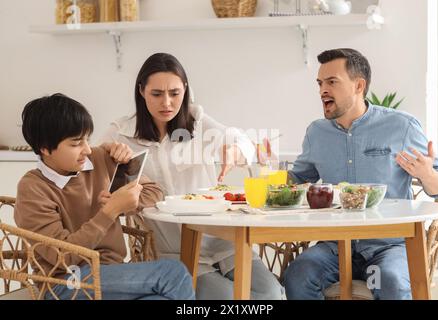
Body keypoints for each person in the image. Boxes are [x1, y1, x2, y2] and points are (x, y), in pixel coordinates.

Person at [100, 53, 283, 300]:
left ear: (185, 90)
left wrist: (235, 149)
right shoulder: (121, 132)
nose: (167, 102)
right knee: (230, 298)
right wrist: (107, 154)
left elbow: (238, 138)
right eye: (157, 94)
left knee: (271, 294)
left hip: (225, 242)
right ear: (141, 91)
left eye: (175, 93)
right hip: (178, 251)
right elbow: (89, 169)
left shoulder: (197, 123)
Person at [282, 48, 438, 300]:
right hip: (335, 247)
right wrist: (270, 173)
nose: (322, 90)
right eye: (320, 83)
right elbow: (297, 181)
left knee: (391, 281)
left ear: (358, 85)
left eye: (332, 82)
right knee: (298, 275)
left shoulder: (400, 126)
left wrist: (427, 175)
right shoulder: (316, 133)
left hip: (388, 246)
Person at [14, 93, 195, 300]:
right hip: (64, 283)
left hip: (112, 273)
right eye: (75, 144)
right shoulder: (33, 188)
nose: (86, 149)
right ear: (45, 148)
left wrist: (129, 175)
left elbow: (155, 192)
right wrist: (110, 211)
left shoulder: (99, 158)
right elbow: (62, 258)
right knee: (174, 274)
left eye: (87, 139)